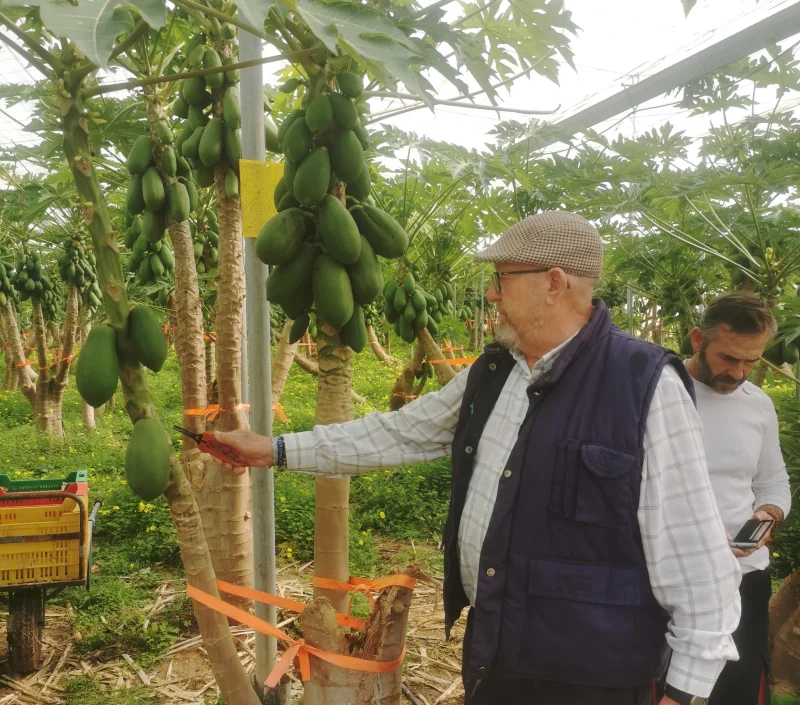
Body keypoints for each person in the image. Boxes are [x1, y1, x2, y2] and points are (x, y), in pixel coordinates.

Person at [208, 211, 742, 705]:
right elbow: (399, 434)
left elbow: (698, 565)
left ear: (553, 283)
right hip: (497, 653)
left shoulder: (643, 385)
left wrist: (682, 693)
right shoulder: (495, 372)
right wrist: (275, 450)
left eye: (502, 279)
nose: (490, 294)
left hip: (592, 678)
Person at [684, 293, 791, 705]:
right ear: (698, 339)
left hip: (745, 574)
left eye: (752, 361)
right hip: (675, 574)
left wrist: (767, 515)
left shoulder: (758, 405)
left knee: (737, 688)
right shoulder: (660, 392)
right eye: (729, 358)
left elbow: (773, 482)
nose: (739, 372)